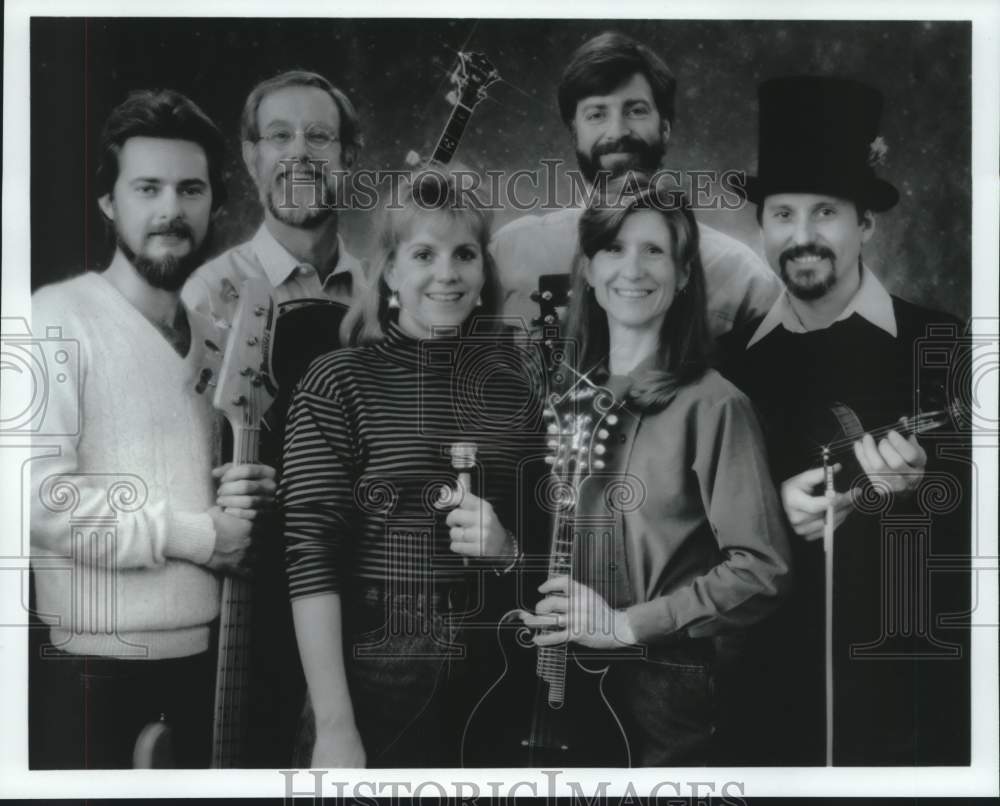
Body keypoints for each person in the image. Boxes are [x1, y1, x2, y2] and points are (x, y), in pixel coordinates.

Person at [720, 75, 971, 765]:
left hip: (914, 692)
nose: (802, 237)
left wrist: (922, 488)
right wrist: (767, 508)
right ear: (762, 225)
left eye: (825, 212)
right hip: (770, 694)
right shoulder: (730, 364)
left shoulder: (943, 343)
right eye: (782, 214)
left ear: (864, 223)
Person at [29, 89, 276, 769]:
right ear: (108, 202)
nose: (171, 209)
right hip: (97, 674)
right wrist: (202, 535)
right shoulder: (55, 316)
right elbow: (35, 501)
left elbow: (200, 494)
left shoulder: (216, 338)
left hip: (206, 660)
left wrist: (245, 491)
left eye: (191, 189)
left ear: (215, 204)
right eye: (148, 188)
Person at [518, 174, 792, 766]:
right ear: (589, 268)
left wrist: (627, 624)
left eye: (654, 250)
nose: (632, 269)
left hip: (665, 683)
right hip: (558, 672)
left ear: (684, 273)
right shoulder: (561, 396)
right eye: (614, 248)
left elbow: (762, 570)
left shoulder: (714, 405)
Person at [280, 170, 538, 768]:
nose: (447, 274)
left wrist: (505, 549)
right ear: (390, 272)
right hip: (380, 663)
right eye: (424, 254)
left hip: (499, 661)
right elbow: (310, 557)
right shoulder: (338, 380)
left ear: (483, 272)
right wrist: (335, 725)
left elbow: (547, 549)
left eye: (464, 254)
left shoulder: (514, 387)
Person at [181, 69, 366, 765]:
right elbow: (173, 469)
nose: (299, 154)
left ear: (349, 156)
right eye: (279, 136)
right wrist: (219, 489)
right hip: (246, 604)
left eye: (320, 136)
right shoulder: (206, 295)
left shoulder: (383, 293)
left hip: (360, 595)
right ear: (251, 156)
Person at [491, 31, 781, 338]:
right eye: (596, 114)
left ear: (665, 128)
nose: (617, 131)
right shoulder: (509, 253)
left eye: (636, 111)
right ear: (575, 131)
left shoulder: (741, 277)